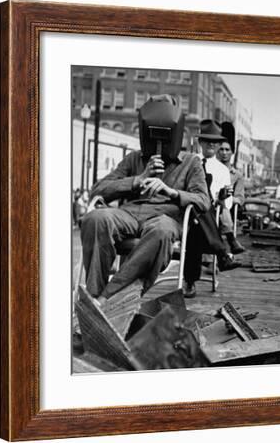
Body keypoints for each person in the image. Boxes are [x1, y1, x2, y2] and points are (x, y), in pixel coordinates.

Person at [80, 95, 211, 304]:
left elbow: (204, 200)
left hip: (164, 216)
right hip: (129, 214)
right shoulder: (134, 158)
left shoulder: (191, 162)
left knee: (161, 232)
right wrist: (137, 180)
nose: (159, 143)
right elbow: (99, 189)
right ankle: (94, 296)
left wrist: (172, 192)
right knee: (95, 219)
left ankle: (107, 297)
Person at [182, 119, 241, 298]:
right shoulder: (188, 161)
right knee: (196, 211)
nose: (211, 145)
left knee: (198, 225)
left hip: (207, 214)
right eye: (207, 141)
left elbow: (227, 205)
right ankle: (222, 253)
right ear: (200, 142)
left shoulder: (222, 171)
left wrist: (223, 197)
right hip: (186, 208)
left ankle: (190, 281)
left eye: (215, 142)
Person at [217, 121, 245, 254]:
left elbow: (240, 199)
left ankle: (229, 241)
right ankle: (231, 239)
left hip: (225, 208)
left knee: (222, 204)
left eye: (227, 150)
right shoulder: (210, 169)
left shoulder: (237, 175)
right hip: (208, 205)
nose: (224, 153)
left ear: (232, 152)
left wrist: (228, 199)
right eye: (221, 149)